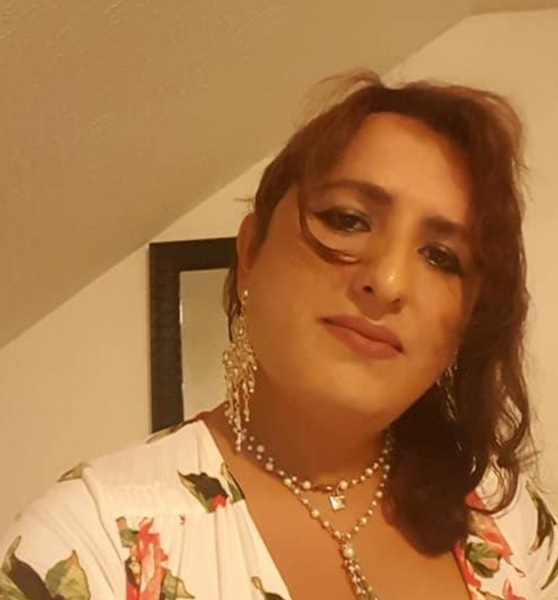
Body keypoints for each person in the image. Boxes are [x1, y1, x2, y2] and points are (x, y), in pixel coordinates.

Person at [1, 71, 556, 600]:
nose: (388, 282)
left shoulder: (509, 519)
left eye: (441, 257)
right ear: (250, 255)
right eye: (348, 220)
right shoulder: (91, 539)